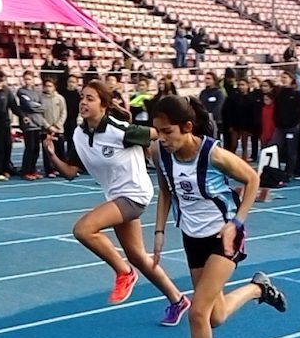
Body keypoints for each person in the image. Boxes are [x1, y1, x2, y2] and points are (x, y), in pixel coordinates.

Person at [150, 95, 288, 338]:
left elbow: (252, 179)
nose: (162, 138)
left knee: (198, 313)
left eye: (167, 131)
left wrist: (236, 223)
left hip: (223, 237)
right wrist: (159, 232)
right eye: (157, 132)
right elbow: (166, 191)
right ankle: (259, 289)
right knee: (215, 316)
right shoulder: (161, 153)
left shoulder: (212, 153)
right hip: (192, 237)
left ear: (186, 127)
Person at [42, 81, 190, 324]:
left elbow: (158, 134)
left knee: (83, 229)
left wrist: (182, 152)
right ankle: (178, 300)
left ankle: (124, 273)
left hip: (135, 194)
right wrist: (51, 155)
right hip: (116, 197)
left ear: (104, 104)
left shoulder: (120, 130)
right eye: (82, 97)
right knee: (139, 256)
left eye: (90, 98)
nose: (83, 102)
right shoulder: (79, 135)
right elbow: (70, 172)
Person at [16, 70, 48, 180]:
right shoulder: (21, 91)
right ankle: (26, 171)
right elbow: (28, 105)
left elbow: (43, 106)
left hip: (38, 123)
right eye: (26, 79)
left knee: (35, 149)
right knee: (29, 148)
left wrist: (37, 106)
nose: (28, 81)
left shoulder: (38, 92)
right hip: (29, 124)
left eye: (30, 79)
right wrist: (37, 106)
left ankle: (33, 170)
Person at [41, 77, 66, 177]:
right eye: (46, 86)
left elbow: (63, 112)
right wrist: (47, 126)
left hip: (58, 129)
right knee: (47, 151)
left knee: (60, 150)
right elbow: (40, 114)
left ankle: (61, 169)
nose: (48, 88)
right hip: (46, 130)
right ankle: (50, 170)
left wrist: (58, 125)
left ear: (54, 87)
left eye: (50, 86)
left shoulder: (60, 98)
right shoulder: (41, 98)